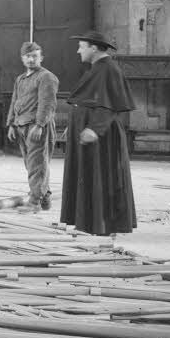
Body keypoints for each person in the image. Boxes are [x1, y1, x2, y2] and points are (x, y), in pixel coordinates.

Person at [60, 30, 137, 235]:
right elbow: (90, 98)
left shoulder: (109, 69)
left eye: (81, 46)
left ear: (93, 48)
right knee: (89, 175)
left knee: (101, 175)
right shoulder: (98, 67)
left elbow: (110, 104)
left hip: (101, 134)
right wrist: (75, 123)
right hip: (89, 129)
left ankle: (103, 226)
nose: (78, 51)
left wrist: (95, 128)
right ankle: (89, 224)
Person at [5, 41, 60, 211]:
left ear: (41, 58)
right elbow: (15, 101)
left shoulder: (46, 77)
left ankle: (34, 202)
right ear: (22, 58)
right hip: (21, 126)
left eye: (34, 56)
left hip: (37, 128)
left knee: (37, 165)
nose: (31, 59)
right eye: (27, 56)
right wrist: (11, 124)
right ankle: (44, 197)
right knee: (33, 164)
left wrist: (40, 125)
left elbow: (47, 103)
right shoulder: (20, 79)